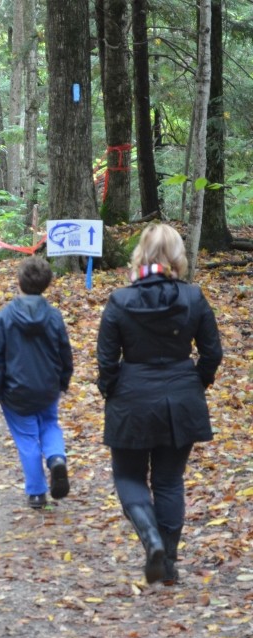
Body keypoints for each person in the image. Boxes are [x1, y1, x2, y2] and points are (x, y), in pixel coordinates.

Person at [97, 223, 222, 585]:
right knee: (169, 482)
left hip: (132, 398)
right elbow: (212, 353)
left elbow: (106, 361)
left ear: (141, 254)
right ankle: (167, 562)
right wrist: (194, 383)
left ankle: (150, 539)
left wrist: (114, 392)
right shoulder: (194, 297)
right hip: (180, 400)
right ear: (177, 257)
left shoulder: (120, 301)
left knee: (128, 475)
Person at [0, 256, 74, 509]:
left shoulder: (4, 317)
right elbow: (64, 351)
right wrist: (63, 380)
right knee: (49, 424)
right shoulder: (54, 316)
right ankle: (57, 458)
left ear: (19, 282)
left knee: (26, 437)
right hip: (47, 386)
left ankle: (37, 492)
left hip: (16, 390)